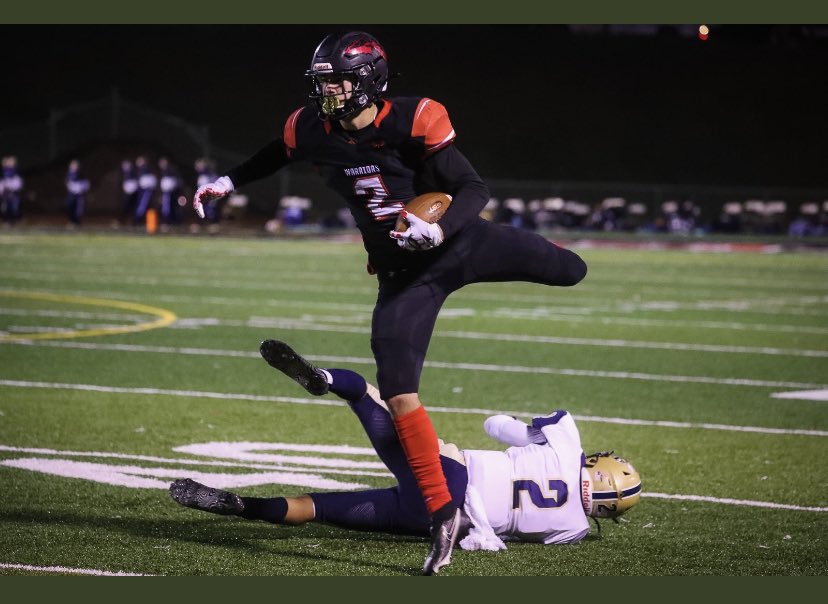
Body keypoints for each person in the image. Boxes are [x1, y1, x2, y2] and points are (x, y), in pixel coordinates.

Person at [191, 31, 588, 575]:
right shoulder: (308, 128)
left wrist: (439, 227)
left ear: (368, 80)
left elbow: (473, 189)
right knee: (399, 393)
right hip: (404, 275)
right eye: (322, 82)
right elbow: (277, 152)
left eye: (338, 81)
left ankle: (541, 251)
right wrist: (228, 180)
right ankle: (443, 512)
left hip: (462, 242)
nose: (328, 92)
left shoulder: (414, 119)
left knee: (571, 270)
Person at [170, 340, 641, 573]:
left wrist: (526, 435)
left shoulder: (566, 442)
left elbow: (495, 425)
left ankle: (326, 380)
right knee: (317, 508)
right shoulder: (574, 530)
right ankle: (242, 506)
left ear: (598, 466)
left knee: (367, 395)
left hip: (447, 477)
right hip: (442, 521)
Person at [64, 159, 90, 227]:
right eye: (72, 165)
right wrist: (69, 186)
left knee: (78, 210)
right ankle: (72, 221)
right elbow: (67, 182)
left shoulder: (81, 174)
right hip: (71, 194)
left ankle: (77, 222)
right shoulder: (69, 173)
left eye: (75, 165)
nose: (74, 167)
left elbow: (86, 183)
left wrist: (81, 189)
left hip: (79, 194)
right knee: (69, 207)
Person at [1, 156, 24, 227]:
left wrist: (14, 188)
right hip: (5, 194)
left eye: (11, 162)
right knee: (5, 209)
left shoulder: (16, 172)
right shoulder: (3, 172)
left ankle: (13, 221)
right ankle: (8, 221)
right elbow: (2, 182)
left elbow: (18, 183)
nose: (9, 163)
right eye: (7, 162)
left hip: (14, 193)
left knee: (14, 208)